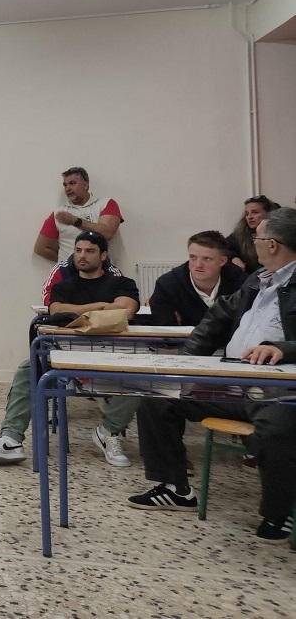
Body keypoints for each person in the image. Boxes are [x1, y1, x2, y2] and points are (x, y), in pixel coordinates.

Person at [126, 208, 296, 542]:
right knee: (158, 395)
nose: (253, 243)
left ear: (273, 244)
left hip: (279, 387)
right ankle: (175, 489)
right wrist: (185, 364)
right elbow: (218, 318)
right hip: (234, 379)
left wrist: (284, 349)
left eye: (257, 237)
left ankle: (280, 513)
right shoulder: (258, 279)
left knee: (277, 428)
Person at [0, 231, 140, 467]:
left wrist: (77, 311)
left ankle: (108, 431)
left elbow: (126, 310)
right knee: (28, 369)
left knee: (143, 375)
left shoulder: (122, 283)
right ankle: (10, 439)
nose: (82, 256)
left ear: (103, 255)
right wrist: (102, 307)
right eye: (78, 250)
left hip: (112, 356)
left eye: (90, 251)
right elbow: (57, 311)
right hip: (67, 356)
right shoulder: (64, 286)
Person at [149, 231, 247, 327]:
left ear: (222, 261)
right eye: (193, 257)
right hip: (184, 338)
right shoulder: (167, 285)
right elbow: (167, 331)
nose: (198, 265)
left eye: (207, 259)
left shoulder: (241, 282)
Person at [33, 167, 123, 265]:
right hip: (69, 272)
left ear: (85, 185)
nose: (68, 188)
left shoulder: (105, 204)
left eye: (72, 183)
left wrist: (75, 221)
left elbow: (108, 233)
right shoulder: (59, 214)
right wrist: (70, 262)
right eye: (65, 185)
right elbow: (40, 248)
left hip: (100, 271)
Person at [226, 195, 281, 275]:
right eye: (247, 213)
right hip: (250, 278)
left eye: (255, 212)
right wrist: (233, 258)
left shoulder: (280, 234)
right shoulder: (242, 233)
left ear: (269, 213)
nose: (250, 217)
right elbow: (222, 246)